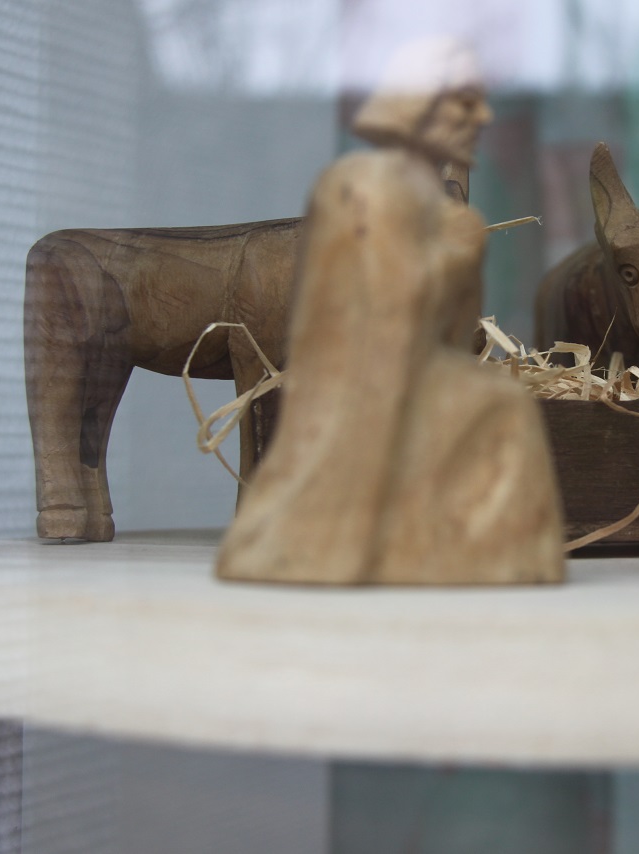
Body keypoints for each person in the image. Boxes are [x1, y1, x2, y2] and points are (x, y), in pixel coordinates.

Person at [216, 39, 564, 585]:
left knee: (502, 401)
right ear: (418, 101)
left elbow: (454, 338)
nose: (483, 117)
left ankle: (460, 543)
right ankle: (428, 542)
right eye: (465, 100)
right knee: (503, 407)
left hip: (416, 370)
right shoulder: (364, 186)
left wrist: (460, 253)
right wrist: (453, 256)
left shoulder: (439, 204)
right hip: (361, 381)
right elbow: (385, 304)